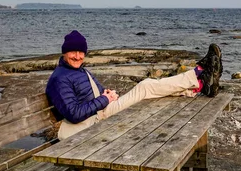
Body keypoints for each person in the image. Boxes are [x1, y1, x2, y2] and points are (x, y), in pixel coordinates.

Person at [46, 30, 223, 140]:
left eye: (81, 52)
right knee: (146, 87)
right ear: (64, 52)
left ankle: (198, 85)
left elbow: (96, 91)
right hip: (94, 122)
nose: (77, 56)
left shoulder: (77, 70)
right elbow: (74, 114)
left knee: (149, 91)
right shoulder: (59, 78)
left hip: (100, 112)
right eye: (73, 52)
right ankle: (198, 74)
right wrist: (104, 99)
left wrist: (106, 93)